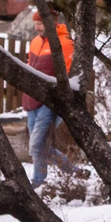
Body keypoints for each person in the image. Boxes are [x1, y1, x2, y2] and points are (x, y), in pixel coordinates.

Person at [22, 13, 75, 189]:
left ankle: (38, 183)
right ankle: (75, 173)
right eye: (35, 23)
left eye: (40, 23)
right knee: (39, 146)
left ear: (52, 22)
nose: (36, 27)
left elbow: (67, 75)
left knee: (36, 146)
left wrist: (58, 99)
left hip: (50, 103)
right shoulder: (35, 42)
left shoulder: (65, 43)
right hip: (31, 100)